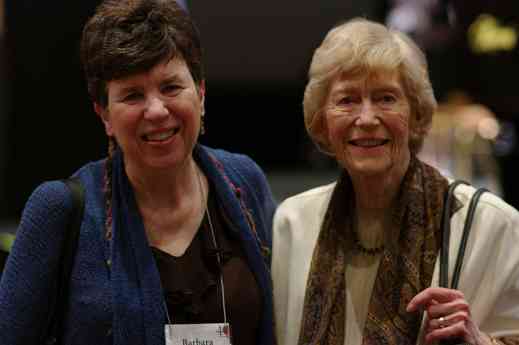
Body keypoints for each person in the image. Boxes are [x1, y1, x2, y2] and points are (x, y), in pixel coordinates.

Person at [0, 1, 276, 345]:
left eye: (171, 87)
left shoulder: (243, 181)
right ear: (104, 115)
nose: (157, 110)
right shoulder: (58, 209)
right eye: (132, 95)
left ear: (201, 93)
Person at [272, 18, 519, 345]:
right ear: (322, 121)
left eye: (386, 98)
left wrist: (480, 342)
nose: (367, 119)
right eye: (347, 100)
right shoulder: (293, 223)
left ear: (416, 114)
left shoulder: (492, 224)